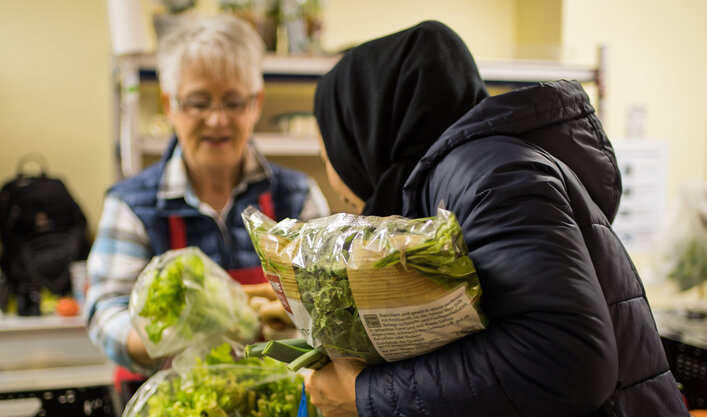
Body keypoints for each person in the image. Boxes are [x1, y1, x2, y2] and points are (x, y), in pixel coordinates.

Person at [305, 20, 688, 417]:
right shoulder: (455, 180)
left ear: (360, 134)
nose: (334, 181)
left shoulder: (484, 173)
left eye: (325, 149)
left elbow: (565, 360)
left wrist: (365, 395)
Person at [84, 14, 329, 400]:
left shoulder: (297, 197)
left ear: (256, 102)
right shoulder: (131, 206)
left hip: (277, 399)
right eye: (199, 102)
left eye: (233, 101)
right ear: (170, 104)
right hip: (177, 401)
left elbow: (329, 303)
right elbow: (106, 312)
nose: (218, 120)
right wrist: (167, 335)